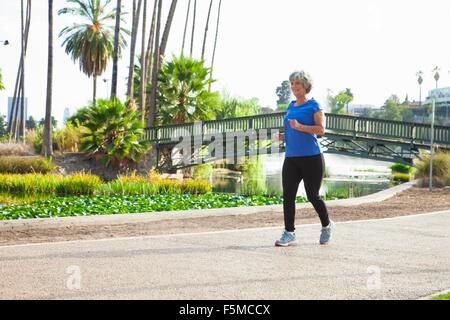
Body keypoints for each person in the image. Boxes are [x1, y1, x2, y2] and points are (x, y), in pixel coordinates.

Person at [272, 70, 334, 247]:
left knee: (312, 196)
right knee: (288, 196)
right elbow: (293, 130)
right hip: (291, 158)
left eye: (297, 83)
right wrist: (283, 136)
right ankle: (289, 232)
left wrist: (299, 126)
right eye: (292, 83)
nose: (293, 87)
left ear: (305, 86)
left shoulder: (314, 105)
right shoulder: (291, 106)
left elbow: (321, 129)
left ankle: (327, 225)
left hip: (311, 158)